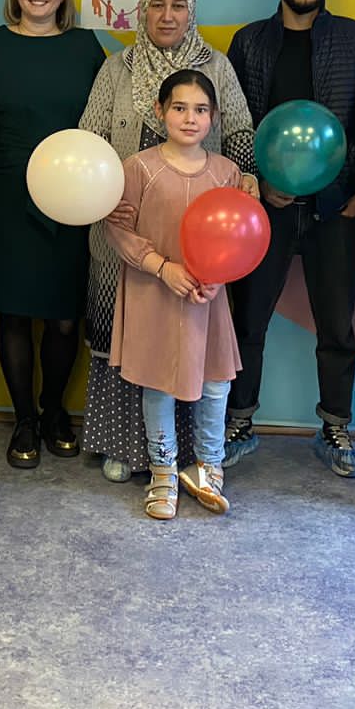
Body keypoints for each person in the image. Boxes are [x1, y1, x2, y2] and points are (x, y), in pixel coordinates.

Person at [78, 0, 256, 482]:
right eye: (157, 4)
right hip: (126, 230)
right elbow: (91, 135)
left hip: (199, 240)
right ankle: (127, 447)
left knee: (193, 340)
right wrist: (102, 194)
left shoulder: (216, 65)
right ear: (142, 11)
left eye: (178, 5)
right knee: (121, 335)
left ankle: (189, 457)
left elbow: (240, 129)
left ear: (191, 10)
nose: (167, 15)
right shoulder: (117, 67)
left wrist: (246, 178)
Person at [223, 0, 355, 476]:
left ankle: (335, 427)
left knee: (337, 324)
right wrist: (255, 181)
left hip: (334, 206)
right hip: (263, 207)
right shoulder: (249, 42)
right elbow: (234, 121)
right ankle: (239, 421)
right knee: (248, 319)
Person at [0, 0, 105, 468]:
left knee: (65, 316)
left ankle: (54, 411)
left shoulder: (85, 47)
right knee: (14, 311)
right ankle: (24, 418)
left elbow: (105, 119)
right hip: (7, 190)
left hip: (71, 192)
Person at [105, 70, 243, 520]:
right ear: (160, 111)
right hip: (155, 293)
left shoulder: (226, 172)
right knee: (159, 384)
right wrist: (162, 268)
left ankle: (209, 466)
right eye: (179, 108)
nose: (190, 118)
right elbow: (118, 230)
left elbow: (238, 236)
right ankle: (163, 471)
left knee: (216, 382)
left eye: (200, 110)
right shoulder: (139, 168)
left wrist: (217, 277)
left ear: (214, 116)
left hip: (207, 298)